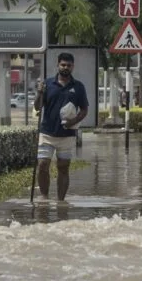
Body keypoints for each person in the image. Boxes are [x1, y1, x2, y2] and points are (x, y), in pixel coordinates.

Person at [34, 53, 89, 201]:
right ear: (58, 65)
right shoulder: (47, 84)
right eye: (63, 65)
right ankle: (44, 198)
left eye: (68, 65)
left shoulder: (78, 87)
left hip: (67, 135)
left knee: (63, 167)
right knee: (42, 165)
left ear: (73, 67)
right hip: (46, 133)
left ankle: (61, 202)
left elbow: (84, 110)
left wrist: (74, 121)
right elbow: (37, 107)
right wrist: (39, 93)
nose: (65, 68)